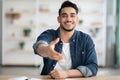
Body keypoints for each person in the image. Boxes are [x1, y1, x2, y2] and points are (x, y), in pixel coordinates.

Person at [33, 0, 98, 79]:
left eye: (72, 15)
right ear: (58, 19)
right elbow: (38, 46)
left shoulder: (86, 39)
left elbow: (93, 67)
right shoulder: (49, 34)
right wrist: (47, 51)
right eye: (64, 16)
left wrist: (67, 73)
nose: (68, 19)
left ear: (77, 19)